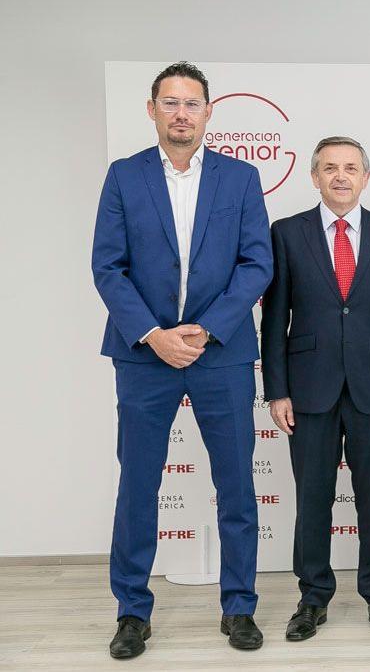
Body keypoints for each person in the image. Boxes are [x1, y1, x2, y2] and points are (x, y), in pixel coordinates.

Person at [91, 62, 271, 658]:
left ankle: (239, 606)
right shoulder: (123, 177)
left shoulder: (241, 179)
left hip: (219, 353)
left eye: (192, 103)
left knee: (237, 486)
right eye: (170, 103)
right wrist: (152, 333)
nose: (181, 113)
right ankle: (131, 612)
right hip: (144, 357)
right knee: (138, 486)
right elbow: (107, 267)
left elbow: (256, 265)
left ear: (209, 112)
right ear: (152, 110)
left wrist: (204, 329)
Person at [261, 136, 370, 641]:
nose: (341, 176)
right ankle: (312, 598)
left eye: (351, 167)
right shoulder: (286, 233)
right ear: (314, 177)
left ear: (366, 177)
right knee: (312, 499)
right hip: (308, 390)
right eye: (330, 168)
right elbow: (273, 318)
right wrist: (276, 390)